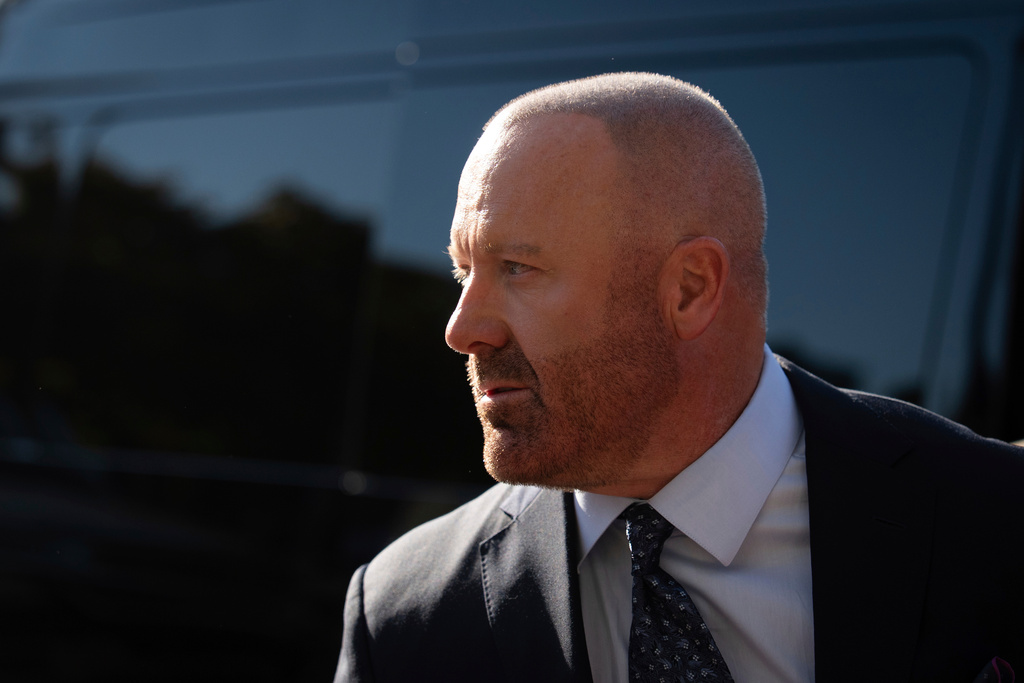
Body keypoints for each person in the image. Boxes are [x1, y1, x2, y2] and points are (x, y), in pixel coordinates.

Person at [334, 72, 1024, 683]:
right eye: (465, 271)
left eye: (518, 268)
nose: (460, 329)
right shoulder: (405, 613)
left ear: (691, 289)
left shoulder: (991, 517)